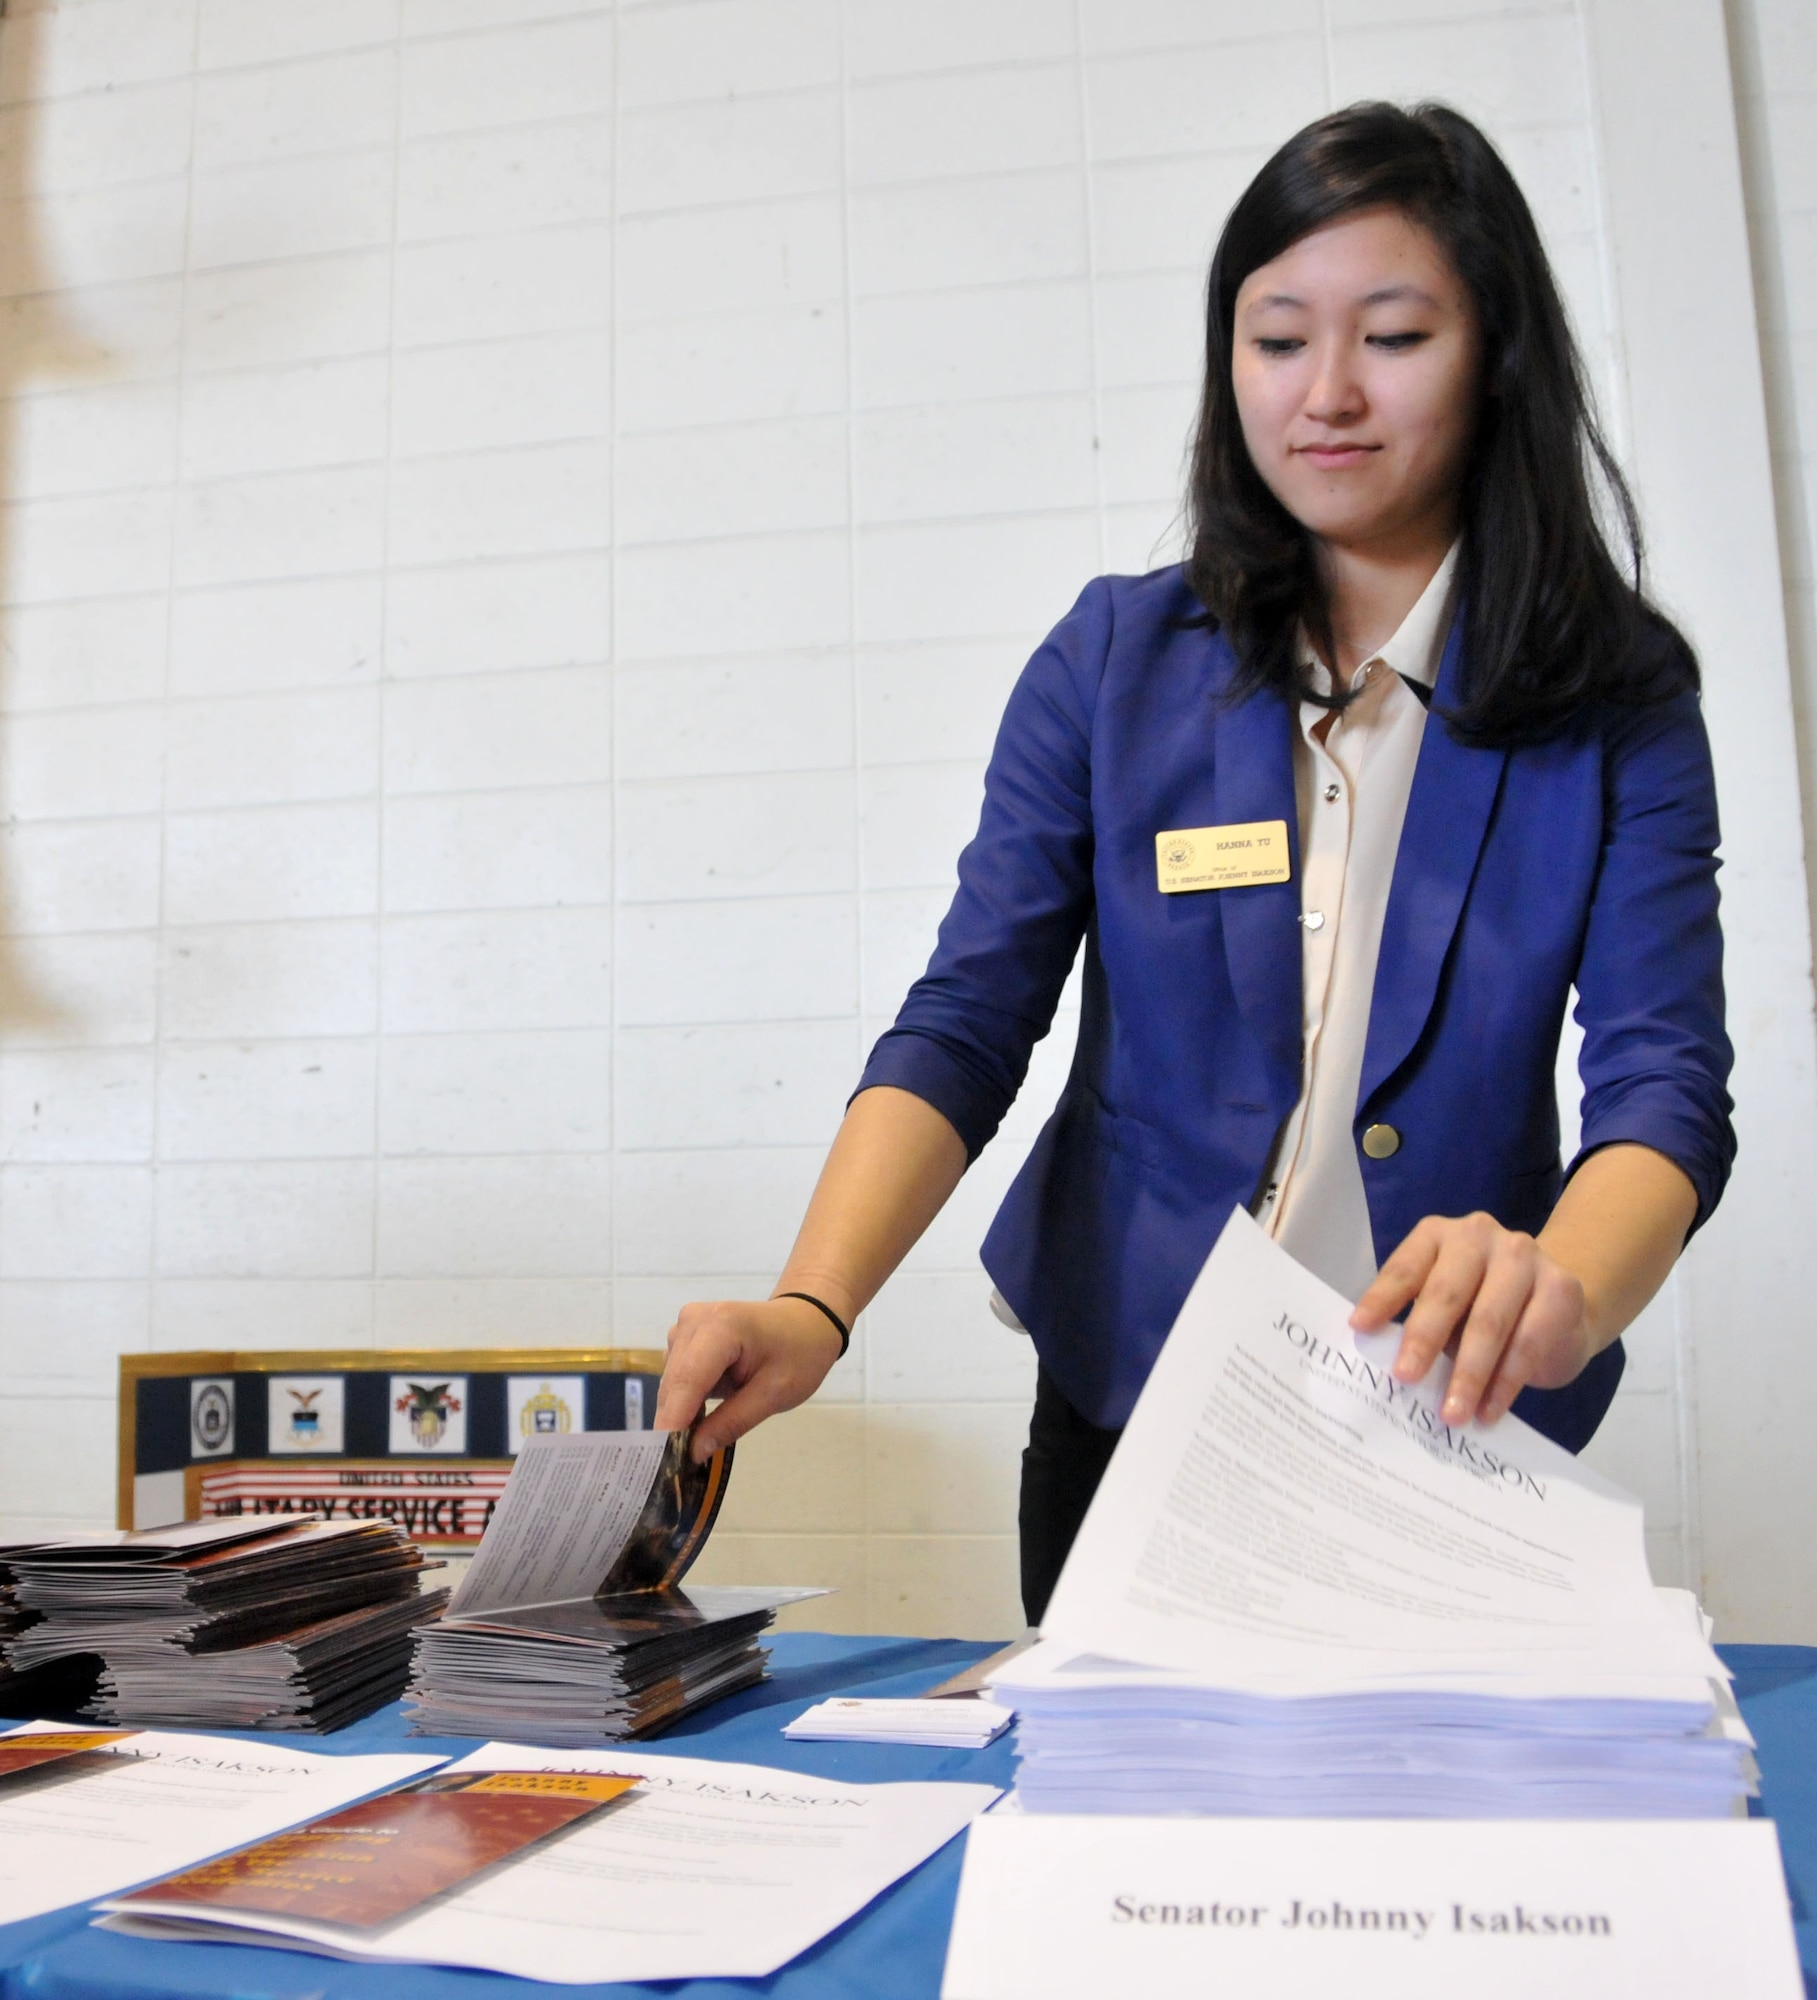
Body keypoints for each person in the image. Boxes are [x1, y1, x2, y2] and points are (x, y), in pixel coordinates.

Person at [654, 101, 1735, 1626]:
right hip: (1128, 1417)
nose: (1326, 394)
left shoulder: (1615, 698)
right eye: (1275, 339)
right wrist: (812, 1303)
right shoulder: (1114, 660)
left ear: (1494, 355)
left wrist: (1558, 1289)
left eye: (1395, 335)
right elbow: (968, 1017)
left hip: (1452, 1436)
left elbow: (1662, 1086)